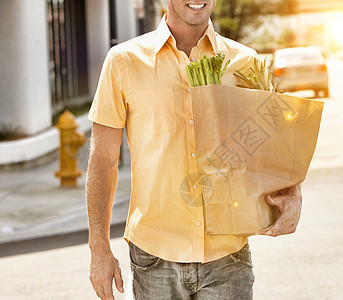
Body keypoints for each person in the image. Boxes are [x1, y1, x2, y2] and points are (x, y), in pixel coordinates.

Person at [86, 1, 302, 299]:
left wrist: (292, 193)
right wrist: (99, 248)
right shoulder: (124, 61)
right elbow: (103, 158)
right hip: (155, 258)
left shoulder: (245, 62)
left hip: (227, 256)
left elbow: (268, 150)